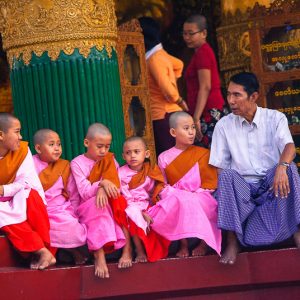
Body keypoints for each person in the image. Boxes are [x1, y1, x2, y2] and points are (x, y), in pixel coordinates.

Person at [209, 72, 300, 265]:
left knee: (290, 168)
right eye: (229, 95)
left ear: (254, 97)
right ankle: (233, 242)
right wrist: (230, 193)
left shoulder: (275, 118)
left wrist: (281, 168)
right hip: (243, 190)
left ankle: (297, 232)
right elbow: (220, 168)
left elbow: (289, 147)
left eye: (236, 95)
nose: (231, 100)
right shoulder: (223, 125)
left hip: (272, 184)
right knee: (226, 177)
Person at [158, 111, 222, 257]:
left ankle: (204, 244)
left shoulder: (203, 153)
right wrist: (177, 193)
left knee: (201, 202)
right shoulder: (164, 157)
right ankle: (183, 244)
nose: (191, 132)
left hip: (201, 194)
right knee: (178, 201)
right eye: (186, 129)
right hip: (177, 196)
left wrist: (194, 193)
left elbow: (210, 183)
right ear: (173, 132)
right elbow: (163, 184)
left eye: (193, 128)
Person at [70, 123, 127, 278]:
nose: (104, 151)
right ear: (86, 143)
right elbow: (84, 192)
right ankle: (99, 254)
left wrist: (104, 186)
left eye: (107, 147)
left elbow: (116, 186)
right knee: (97, 205)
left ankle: (127, 250)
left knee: (122, 204)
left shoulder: (110, 160)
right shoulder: (77, 163)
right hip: (85, 205)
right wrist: (101, 183)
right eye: (100, 146)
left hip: (107, 201)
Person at [0, 113, 56, 270]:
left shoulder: (23, 151)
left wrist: (4, 189)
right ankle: (41, 251)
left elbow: (27, 182)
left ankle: (41, 253)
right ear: (1, 135)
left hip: (13, 195)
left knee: (32, 196)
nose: (21, 136)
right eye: (17, 132)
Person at [33, 129, 88, 265]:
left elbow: (73, 192)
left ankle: (71, 250)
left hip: (61, 208)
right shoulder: (30, 164)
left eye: (59, 144)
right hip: (41, 208)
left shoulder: (64, 166)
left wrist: (74, 212)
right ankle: (66, 252)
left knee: (72, 226)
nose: (57, 148)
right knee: (41, 225)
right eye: (51, 145)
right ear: (38, 148)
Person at [139, 16, 189, 155]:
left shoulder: (154, 59)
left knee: (169, 156)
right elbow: (179, 64)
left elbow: (167, 90)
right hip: (168, 113)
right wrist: (174, 78)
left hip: (162, 114)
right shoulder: (160, 55)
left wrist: (179, 99)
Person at [118, 136, 170, 263]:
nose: (132, 156)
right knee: (134, 215)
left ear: (146, 153)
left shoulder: (150, 170)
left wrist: (153, 205)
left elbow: (155, 190)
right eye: (128, 153)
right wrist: (141, 212)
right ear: (123, 156)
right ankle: (139, 250)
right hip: (131, 205)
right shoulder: (121, 173)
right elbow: (125, 196)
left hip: (147, 204)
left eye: (137, 151)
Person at [183, 14, 226, 148]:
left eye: (191, 33)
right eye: (184, 33)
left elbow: (205, 86)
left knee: (213, 152)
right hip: (206, 109)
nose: (187, 38)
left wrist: (195, 118)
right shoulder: (200, 52)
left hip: (208, 111)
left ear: (204, 33)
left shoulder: (203, 53)